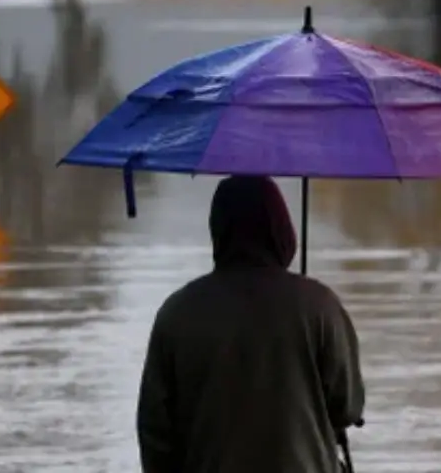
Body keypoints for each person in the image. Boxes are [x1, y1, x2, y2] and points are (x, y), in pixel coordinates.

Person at [135, 175, 366, 473]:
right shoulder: (320, 305)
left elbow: (155, 431)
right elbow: (347, 407)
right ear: (281, 229)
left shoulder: (177, 312)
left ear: (218, 230)